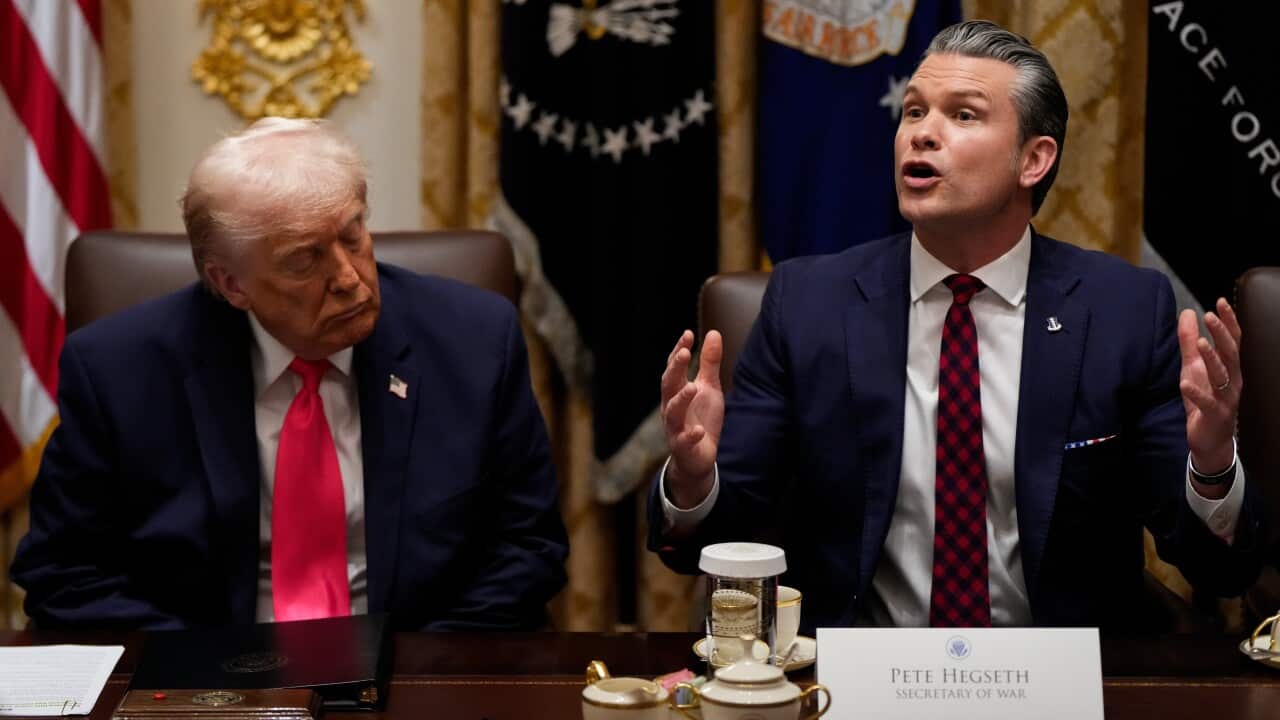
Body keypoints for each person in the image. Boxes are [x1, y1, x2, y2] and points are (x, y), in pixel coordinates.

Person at [649, 21, 1265, 629]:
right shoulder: (810, 303)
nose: (922, 134)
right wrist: (693, 476)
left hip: (1057, 681)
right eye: (913, 112)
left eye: (963, 115)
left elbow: (1219, 570)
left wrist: (1211, 463)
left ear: (1034, 159)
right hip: (862, 678)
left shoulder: (1123, 310)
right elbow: (710, 540)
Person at [12, 118, 568, 630]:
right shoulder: (118, 369)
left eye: (353, 235)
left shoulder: (472, 338)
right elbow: (63, 574)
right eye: (304, 261)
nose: (350, 278)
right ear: (231, 283)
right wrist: (213, 677)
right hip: (210, 685)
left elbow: (528, 549)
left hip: (416, 668)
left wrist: (413, 675)